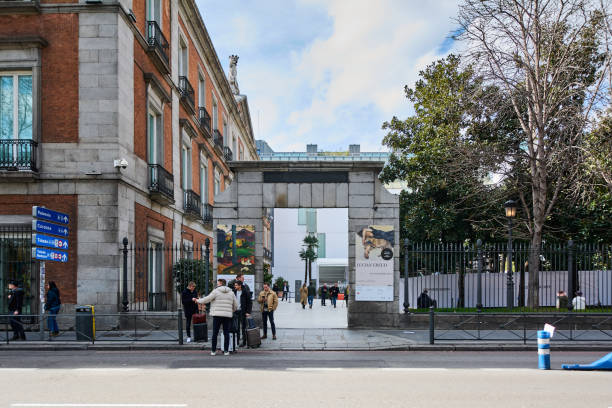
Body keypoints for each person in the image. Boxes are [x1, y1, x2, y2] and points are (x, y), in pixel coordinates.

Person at [194, 278, 238, 356]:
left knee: (215, 333)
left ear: (221, 283)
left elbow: (206, 299)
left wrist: (197, 300)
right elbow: (236, 305)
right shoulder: (231, 292)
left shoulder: (216, 291)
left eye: (218, 283)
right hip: (227, 316)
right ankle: (226, 351)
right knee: (226, 333)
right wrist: (231, 311)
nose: (217, 284)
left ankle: (213, 351)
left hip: (217, 315)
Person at [233, 280, 252, 347]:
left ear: (239, 285)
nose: (235, 286)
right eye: (235, 285)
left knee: (243, 327)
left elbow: (249, 303)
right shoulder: (234, 292)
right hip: (235, 311)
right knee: (236, 327)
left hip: (242, 312)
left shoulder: (245, 292)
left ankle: (244, 342)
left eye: (236, 285)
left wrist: (248, 312)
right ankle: (237, 342)